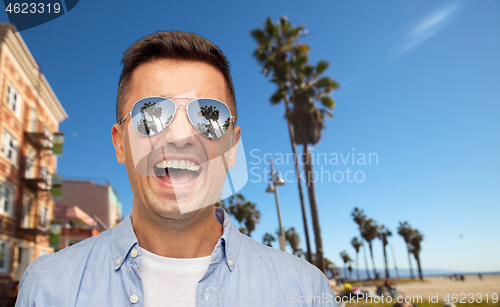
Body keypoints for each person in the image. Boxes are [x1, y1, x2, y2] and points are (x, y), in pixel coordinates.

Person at [16, 31, 336, 306]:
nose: (181, 136)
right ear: (120, 144)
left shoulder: (305, 290)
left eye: (209, 117)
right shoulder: (45, 288)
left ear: (232, 147)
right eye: (150, 115)